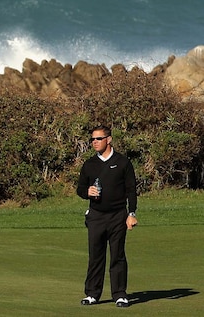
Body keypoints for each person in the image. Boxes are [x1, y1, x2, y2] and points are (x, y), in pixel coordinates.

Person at [76, 124, 138, 308]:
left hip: (118, 215)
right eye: (92, 139)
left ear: (108, 140)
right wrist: (87, 191)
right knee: (96, 255)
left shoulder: (123, 162)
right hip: (96, 215)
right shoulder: (89, 164)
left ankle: (119, 294)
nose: (94, 142)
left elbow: (131, 190)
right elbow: (80, 189)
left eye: (98, 139)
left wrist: (131, 213)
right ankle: (92, 293)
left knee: (117, 255)